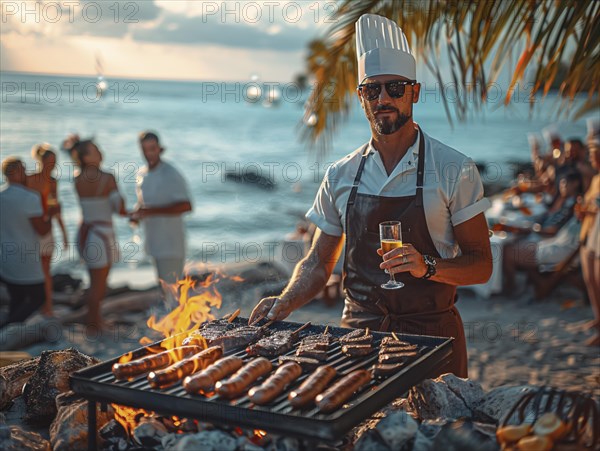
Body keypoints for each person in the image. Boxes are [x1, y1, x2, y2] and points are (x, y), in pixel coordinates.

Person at [249, 14, 492, 378]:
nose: (383, 98)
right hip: (359, 341)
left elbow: (481, 265)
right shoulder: (340, 174)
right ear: (361, 97)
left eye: (395, 88)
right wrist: (284, 301)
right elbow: (318, 264)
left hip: (432, 339)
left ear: (415, 92)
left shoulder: (454, 169)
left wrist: (426, 265)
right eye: (372, 90)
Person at [68, 138, 126, 332]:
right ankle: (94, 325)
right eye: (95, 150)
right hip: (101, 235)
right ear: (85, 157)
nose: (100, 152)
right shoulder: (107, 177)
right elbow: (120, 209)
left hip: (84, 233)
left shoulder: (77, 177)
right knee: (99, 285)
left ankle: (94, 320)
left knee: (93, 282)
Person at [0, 157, 58, 326]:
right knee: (38, 298)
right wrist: (52, 215)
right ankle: (10, 327)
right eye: (23, 170)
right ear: (16, 173)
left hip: (6, 258)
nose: (26, 173)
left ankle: (11, 330)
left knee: (17, 298)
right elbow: (42, 230)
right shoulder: (31, 197)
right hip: (27, 258)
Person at [131, 131, 192, 285]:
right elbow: (143, 203)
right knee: (164, 291)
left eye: (152, 148)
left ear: (160, 148)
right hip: (154, 243)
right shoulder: (142, 173)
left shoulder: (171, 174)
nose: (149, 153)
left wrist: (151, 211)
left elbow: (186, 205)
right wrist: (137, 215)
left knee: (173, 293)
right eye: (145, 149)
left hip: (171, 245)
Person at [26, 143, 68, 317]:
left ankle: (48, 306)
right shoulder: (29, 179)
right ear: (40, 161)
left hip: (47, 227)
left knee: (45, 270)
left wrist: (64, 233)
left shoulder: (53, 182)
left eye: (54, 162)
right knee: (31, 269)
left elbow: (55, 208)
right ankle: (33, 305)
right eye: (48, 162)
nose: (51, 165)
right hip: (30, 230)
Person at [577, 137, 600, 346]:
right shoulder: (594, 180)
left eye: (595, 154)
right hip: (590, 233)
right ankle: (597, 318)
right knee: (591, 281)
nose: (592, 159)